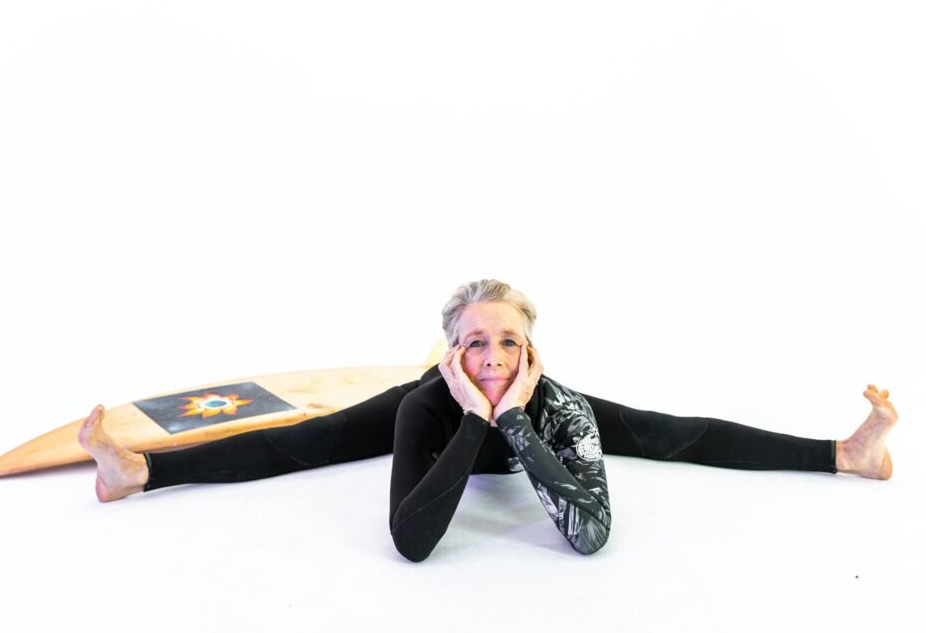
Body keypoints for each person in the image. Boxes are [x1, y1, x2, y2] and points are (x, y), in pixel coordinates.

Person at [79, 279, 899, 562]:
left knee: (666, 429)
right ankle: (138, 470)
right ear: (451, 351)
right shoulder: (425, 406)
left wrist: (515, 420)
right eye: (475, 342)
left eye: (509, 341)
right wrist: (473, 417)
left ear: (531, 347)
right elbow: (411, 543)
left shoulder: (562, 406)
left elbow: (591, 535)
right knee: (314, 439)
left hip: (519, 419)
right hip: (442, 410)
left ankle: (848, 455)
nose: (495, 356)